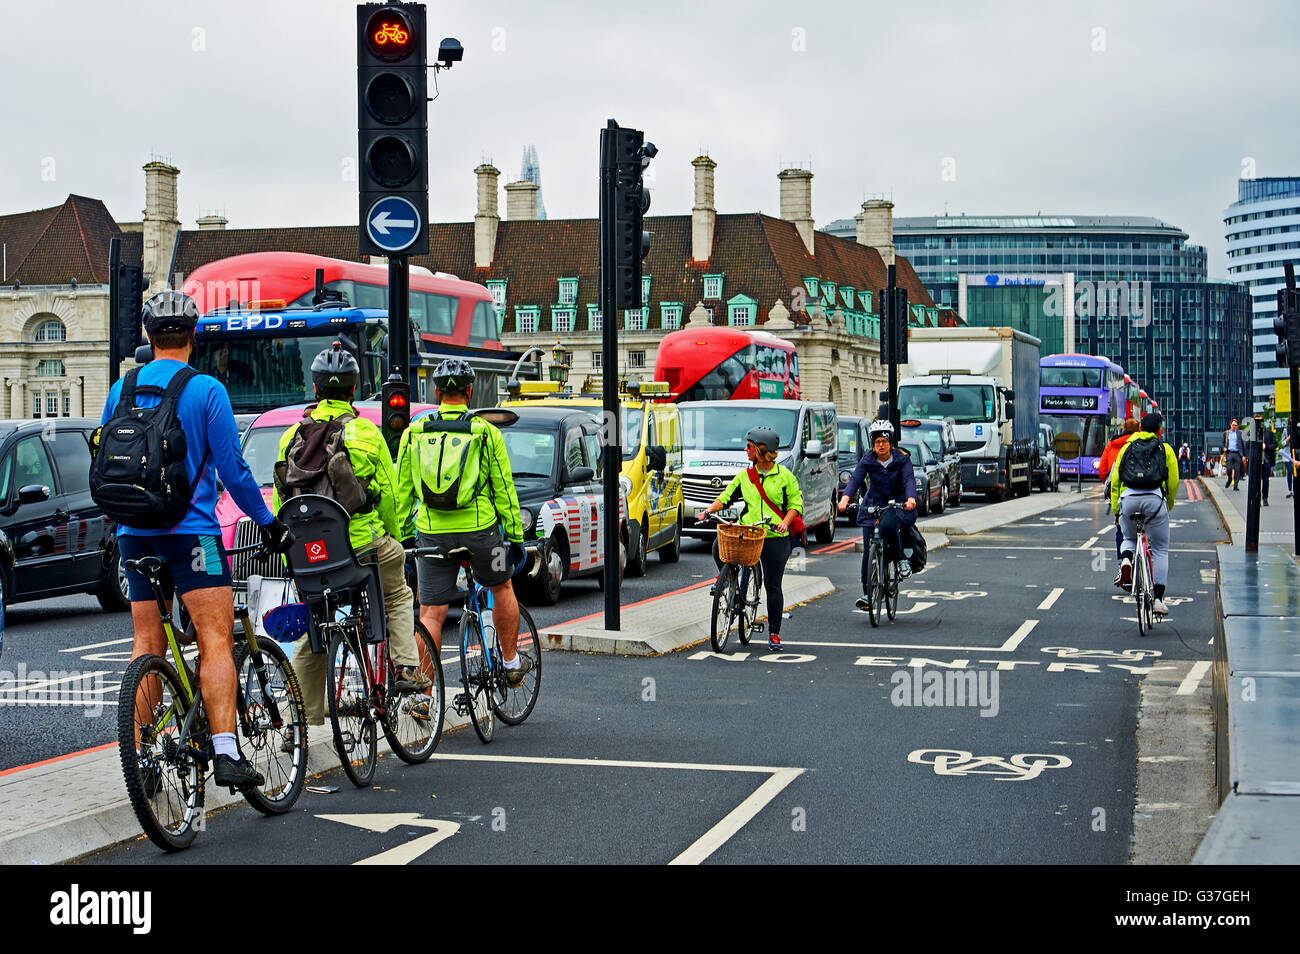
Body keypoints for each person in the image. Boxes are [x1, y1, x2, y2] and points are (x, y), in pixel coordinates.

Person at [103, 290, 293, 790]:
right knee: (214, 639)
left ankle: (143, 756)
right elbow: (233, 470)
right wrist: (269, 523)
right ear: (194, 336)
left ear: (148, 337)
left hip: (132, 535)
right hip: (192, 536)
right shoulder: (206, 389)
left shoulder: (121, 389)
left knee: (147, 643)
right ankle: (228, 752)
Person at [273, 344, 428, 734]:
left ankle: (299, 722)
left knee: (315, 623)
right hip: (361, 547)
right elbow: (390, 497)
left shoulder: (292, 436)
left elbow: (281, 501)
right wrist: (395, 535)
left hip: (310, 554)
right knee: (397, 594)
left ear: (315, 386)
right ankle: (407, 667)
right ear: (355, 388)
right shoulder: (367, 432)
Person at [395, 359, 531, 685]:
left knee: (431, 613)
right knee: (502, 586)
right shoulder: (486, 433)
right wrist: (514, 538)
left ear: (437, 392)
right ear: (469, 392)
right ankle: (511, 663)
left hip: (432, 533)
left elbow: (403, 493)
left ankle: (424, 699)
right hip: (481, 533)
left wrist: (404, 539)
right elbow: (504, 490)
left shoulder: (414, 432)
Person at [702, 424, 803, 653]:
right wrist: (708, 510)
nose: (745, 450)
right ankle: (729, 582)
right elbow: (725, 497)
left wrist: (785, 522)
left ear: (761, 449)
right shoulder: (745, 476)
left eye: (749, 446)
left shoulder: (785, 477)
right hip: (749, 532)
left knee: (772, 585)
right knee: (719, 546)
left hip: (775, 536)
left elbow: (796, 505)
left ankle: (774, 633)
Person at [839, 420, 918, 604]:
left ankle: (900, 559)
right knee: (868, 550)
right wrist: (845, 499)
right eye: (876, 442)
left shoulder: (902, 459)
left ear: (890, 443)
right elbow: (855, 479)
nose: (880, 445)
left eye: (883, 441)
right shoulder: (868, 460)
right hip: (874, 502)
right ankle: (867, 594)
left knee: (889, 526)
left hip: (896, 501)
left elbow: (909, 480)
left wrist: (910, 498)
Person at [1112, 412, 1180, 616]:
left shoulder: (1126, 447)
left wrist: (1117, 509)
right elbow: (1174, 481)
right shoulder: (1165, 449)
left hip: (1129, 499)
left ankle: (1125, 560)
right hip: (1154, 500)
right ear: (1160, 430)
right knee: (1159, 549)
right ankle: (1158, 599)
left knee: (1129, 538)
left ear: (1140, 428)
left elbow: (1115, 480)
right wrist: (1167, 504)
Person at [1098, 418, 1141, 581]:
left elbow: (1102, 470)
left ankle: (1121, 564)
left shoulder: (1112, 444)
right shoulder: (1140, 444)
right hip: (1144, 491)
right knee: (1146, 529)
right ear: (1139, 429)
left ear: (1123, 428)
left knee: (1121, 530)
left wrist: (1108, 487)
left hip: (1120, 494)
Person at [1257, 417, 1277, 506]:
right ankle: (1257, 498)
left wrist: (1267, 446)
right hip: (1256, 461)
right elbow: (1248, 446)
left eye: (1260, 420)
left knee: (1265, 480)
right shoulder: (1252, 433)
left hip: (1267, 459)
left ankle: (1265, 498)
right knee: (1256, 481)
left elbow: (1275, 444)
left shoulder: (1269, 433)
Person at [1223, 418, 1244, 490]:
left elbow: (1243, 444)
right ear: (1230, 425)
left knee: (1237, 470)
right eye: (1233, 425)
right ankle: (1229, 479)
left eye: (1235, 425)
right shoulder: (1226, 433)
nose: (1234, 426)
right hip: (1229, 453)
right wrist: (1224, 448)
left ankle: (1235, 485)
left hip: (1237, 453)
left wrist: (1244, 455)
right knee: (1229, 469)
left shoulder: (1239, 433)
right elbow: (1222, 443)